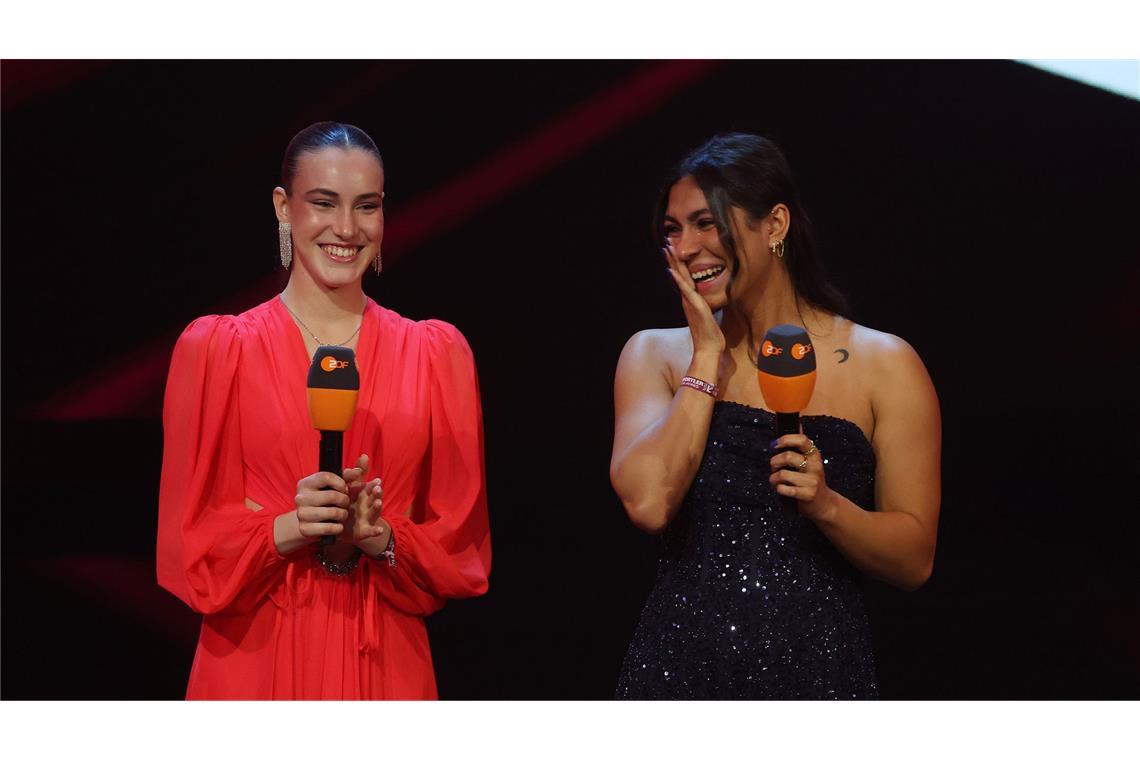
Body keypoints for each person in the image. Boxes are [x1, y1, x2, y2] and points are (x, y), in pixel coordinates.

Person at [156, 121, 490, 699]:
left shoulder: (437, 355)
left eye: (367, 206)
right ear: (283, 208)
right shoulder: (215, 352)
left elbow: (461, 545)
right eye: (323, 203)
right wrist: (288, 527)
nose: (346, 228)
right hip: (254, 659)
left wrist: (380, 535)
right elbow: (185, 545)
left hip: (385, 658)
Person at [610, 133, 940, 699]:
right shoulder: (655, 354)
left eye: (705, 223)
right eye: (672, 229)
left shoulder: (885, 364)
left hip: (818, 674)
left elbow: (913, 560)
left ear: (776, 225)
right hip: (680, 671)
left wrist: (827, 505)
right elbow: (649, 502)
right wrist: (706, 358)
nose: (686, 248)